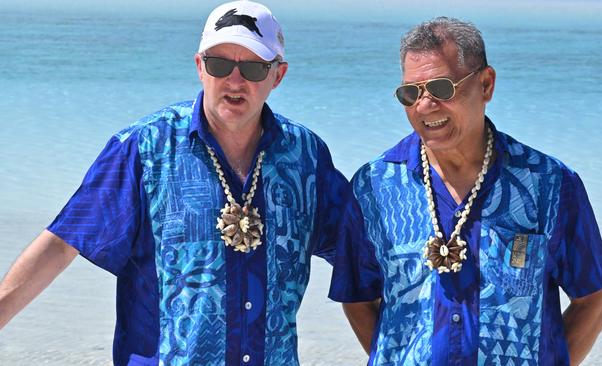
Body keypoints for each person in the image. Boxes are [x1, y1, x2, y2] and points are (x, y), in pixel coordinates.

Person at [0, 1, 352, 365]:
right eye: (219, 65)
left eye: (252, 67)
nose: (234, 81)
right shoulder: (146, 148)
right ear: (200, 67)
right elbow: (63, 244)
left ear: (277, 75)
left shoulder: (305, 157)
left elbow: (362, 250)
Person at [329, 17, 602, 366]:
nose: (424, 106)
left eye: (441, 88)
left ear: (486, 84)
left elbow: (596, 300)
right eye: (410, 93)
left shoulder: (549, 184)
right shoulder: (374, 187)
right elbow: (358, 298)